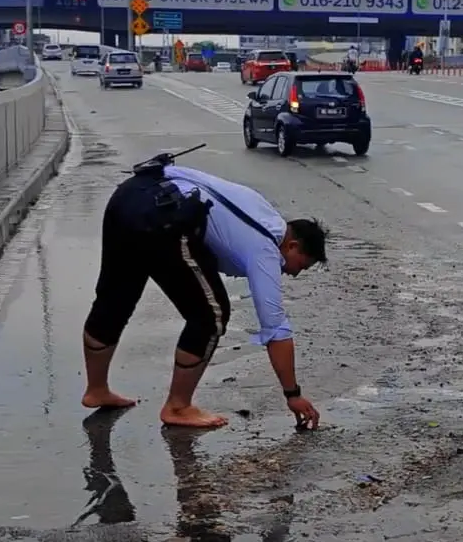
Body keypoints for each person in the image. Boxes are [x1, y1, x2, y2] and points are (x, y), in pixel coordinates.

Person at [81, 162, 329, 431]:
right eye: (300, 266)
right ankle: (178, 407)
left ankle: (96, 390)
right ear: (292, 245)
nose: (293, 274)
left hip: (130, 195)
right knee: (211, 315)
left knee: (114, 298)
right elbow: (276, 329)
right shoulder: (266, 250)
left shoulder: (260, 207)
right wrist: (293, 394)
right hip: (165, 217)